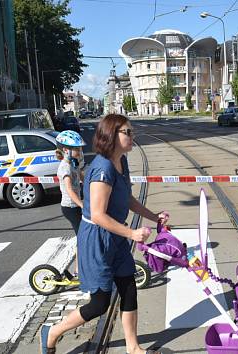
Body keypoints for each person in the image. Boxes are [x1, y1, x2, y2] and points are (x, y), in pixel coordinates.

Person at [40, 114, 167, 354]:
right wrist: (132, 233)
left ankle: (133, 348)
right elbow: (98, 214)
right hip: (97, 239)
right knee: (99, 304)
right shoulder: (102, 168)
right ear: (111, 135)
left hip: (116, 236)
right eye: (127, 132)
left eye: (131, 132)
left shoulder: (122, 162)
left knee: (129, 289)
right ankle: (53, 332)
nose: (132, 136)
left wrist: (154, 217)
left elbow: (126, 198)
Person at [55, 130, 85, 277]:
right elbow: (69, 190)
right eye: (76, 148)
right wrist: (83, 205)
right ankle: (78, 270)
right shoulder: (64, 167)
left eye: (80, 148)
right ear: (66, 150)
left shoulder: (73, 163)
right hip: (70, 207)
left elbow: (83, 178)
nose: (80, 151)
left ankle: (81, 267)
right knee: (82, 236)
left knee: (85, 235)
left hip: (75, 206)